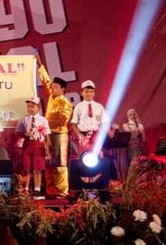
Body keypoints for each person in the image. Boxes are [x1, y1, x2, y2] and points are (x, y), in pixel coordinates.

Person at [36, 55, 73, 196]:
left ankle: (62, 192)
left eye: (55, 87)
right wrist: (40, 66)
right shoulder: (52, 97)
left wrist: (44, 122)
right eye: (52, 87)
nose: (52, 89)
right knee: (49, 164)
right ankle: (51, 191)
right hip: (48, 135)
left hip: (59, 135)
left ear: (62, 89)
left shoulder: (66, 104)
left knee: (60, 165)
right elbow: (45, 81)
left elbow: (62, 121)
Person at [15, 97, 49, 195]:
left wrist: (47, 150)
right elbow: (18, 132)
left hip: (39, 146)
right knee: (27, 168)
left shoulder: (43, 120)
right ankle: (26, 188)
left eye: (33, 106)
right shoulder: (24, 119)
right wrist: (25, 134)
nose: (30, 109)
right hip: (28, 145)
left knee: (37, 168)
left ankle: (37, 189)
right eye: (29, 107)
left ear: (38, 108)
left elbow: (46, 135)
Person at [70, 80, 109, 155]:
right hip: (83, 136)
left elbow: (105, 122)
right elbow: (74, 124)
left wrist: (101, 133)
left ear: (94, 93)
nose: (89, 94)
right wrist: (80, 136)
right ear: (82, 93)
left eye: (91, 91)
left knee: (98, 157)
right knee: (85, 156)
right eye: (86, 91)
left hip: (96, 136)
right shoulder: (78, 107)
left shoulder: (99, 106)